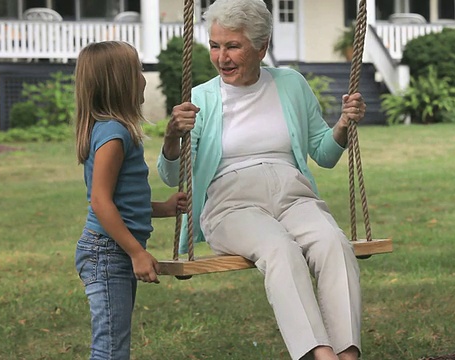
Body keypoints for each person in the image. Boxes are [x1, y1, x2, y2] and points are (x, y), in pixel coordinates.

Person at [158, 0, 366, 359]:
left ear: (261, 47)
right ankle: (321, 355)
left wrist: (344, 124)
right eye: (215, 45)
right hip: (231, 204)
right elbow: (173, 176)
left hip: (294, 195)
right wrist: (171, 136)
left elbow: (325, 154)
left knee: (334, 242)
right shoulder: (201, 99)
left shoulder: (291, 85)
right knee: (280, 250)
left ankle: (347, 355)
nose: (222, 57)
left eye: (233, 46)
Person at [73, 40, 188, 360]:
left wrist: (164, 209)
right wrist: (137, 252)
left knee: (114, 343)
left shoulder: (115, 130)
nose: (144, 77)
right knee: (110, 348)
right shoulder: (114, 134)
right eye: (137, 70)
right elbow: (100, 202)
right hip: (108, 252)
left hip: (112, 249)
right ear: (121, 82)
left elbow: (122, 203)